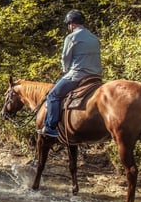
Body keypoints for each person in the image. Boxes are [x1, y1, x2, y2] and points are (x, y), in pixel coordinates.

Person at [39, 10, 102, 138]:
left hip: (77, 76)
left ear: (71, 24)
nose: (69, 27)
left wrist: (65, 69)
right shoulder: (94, 38)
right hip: (95, 77)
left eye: (68, 25)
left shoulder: (71, 37)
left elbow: (65, 58)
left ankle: (50, 127)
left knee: (52, 95)